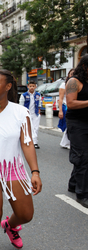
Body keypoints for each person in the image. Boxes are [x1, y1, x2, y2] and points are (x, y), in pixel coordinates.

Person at [0, 69, 42, 250]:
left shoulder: (20, 112)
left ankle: (10, 226)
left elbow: (27, 143)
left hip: (13, 168)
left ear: (8, 86)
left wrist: (35, 172)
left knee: (25, 214)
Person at [65, 55, 88, 208]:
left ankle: (73, 184)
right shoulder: (74, 81)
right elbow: (71, 103)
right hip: (77, 124)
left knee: (83, 156)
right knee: (83, 157)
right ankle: (82, 194)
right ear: (85, 66)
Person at [19, 80, 41, 149]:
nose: (32, 88)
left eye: (33, 86)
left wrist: (39, 111)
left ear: (35, 87)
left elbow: (39, 103)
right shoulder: (24, 95)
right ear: (28, 87)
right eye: (30, 86)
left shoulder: (38, 95)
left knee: (36, 128)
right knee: (29, 128)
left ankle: (35, 142)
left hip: (35, 113)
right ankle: (31, 141)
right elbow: (21, 105)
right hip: (27, 114)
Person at [58, 69, 74, 149]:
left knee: (71, 125)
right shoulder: (64, 85)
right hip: (66, 107)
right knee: (68, 125)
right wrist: (60, 110)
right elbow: (60, 98)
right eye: (72, 74)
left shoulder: (77, 84)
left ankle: (65, 142)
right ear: (69, 75)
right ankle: (66, 143)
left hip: (74, 107)